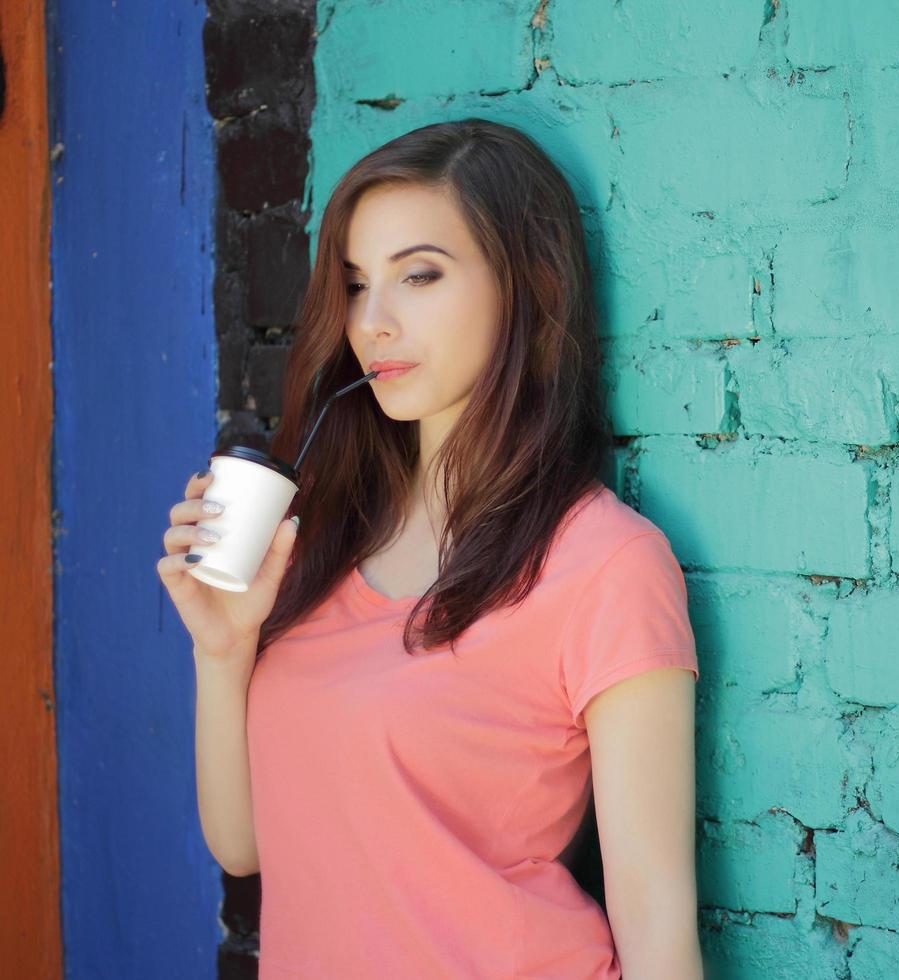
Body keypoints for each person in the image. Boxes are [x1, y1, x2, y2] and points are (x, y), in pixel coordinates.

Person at [157, 118, 703, 978]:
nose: (372, 322)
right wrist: (222, 650)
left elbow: (656, 919)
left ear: (530, 284)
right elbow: (246, 846)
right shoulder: (321, 537)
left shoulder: (605, 564)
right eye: (354, 283)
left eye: (419, 276)